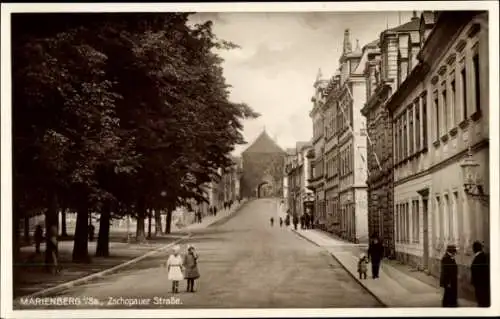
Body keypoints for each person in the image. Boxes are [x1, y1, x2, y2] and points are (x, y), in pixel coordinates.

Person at [470, 241, 490, 307]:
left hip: (480, 283)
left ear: (475, 249)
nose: (472, 249)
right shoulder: (482, 256)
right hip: (480, 283)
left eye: (473, 248)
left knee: (481, 299)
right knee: (481, 298)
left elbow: (478, 270)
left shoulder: (480, 257)